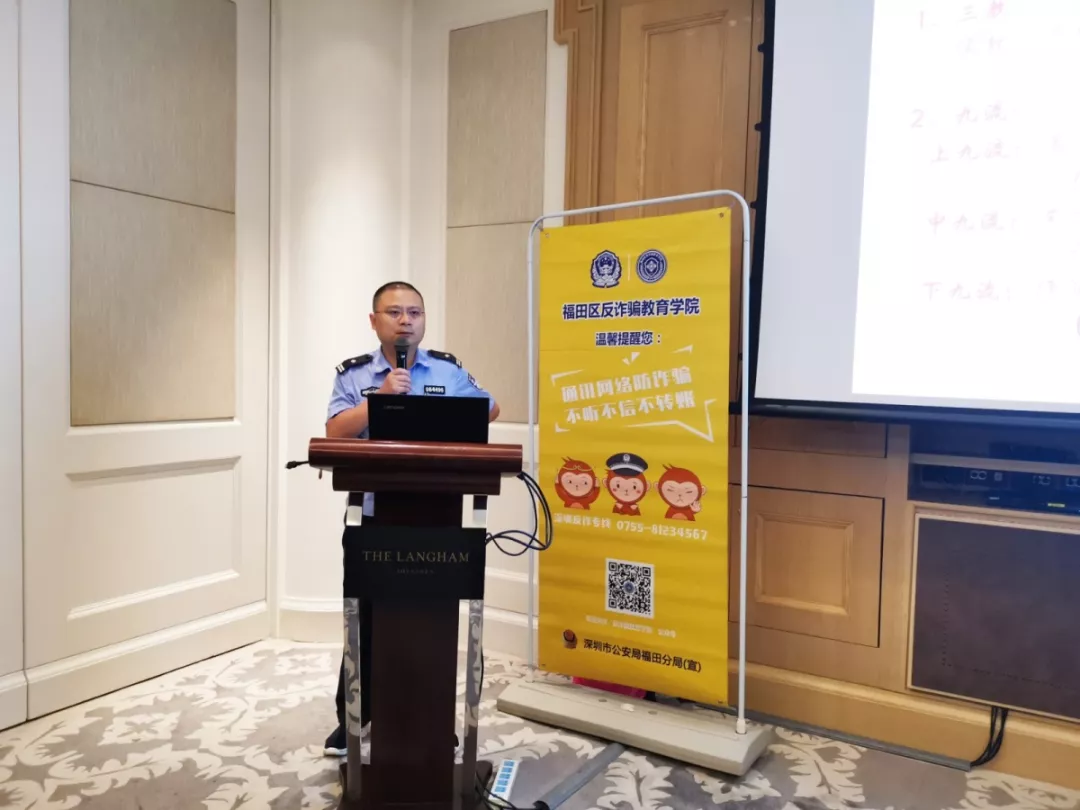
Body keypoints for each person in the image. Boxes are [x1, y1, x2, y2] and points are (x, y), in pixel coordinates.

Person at [322, 280, 500, 757]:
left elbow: (490, 408)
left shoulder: (447, 369)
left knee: (429, 620)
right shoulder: (355, 374)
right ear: (374, 320)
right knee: (364, 619)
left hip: (437, 514)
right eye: (395, 312)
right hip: (372, 515)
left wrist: (447, 412)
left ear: (424, 320)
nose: (406, 321)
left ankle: (430, 718)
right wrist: (378, 399)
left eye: (415, 312)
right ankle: (353, 717)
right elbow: (334, 433)